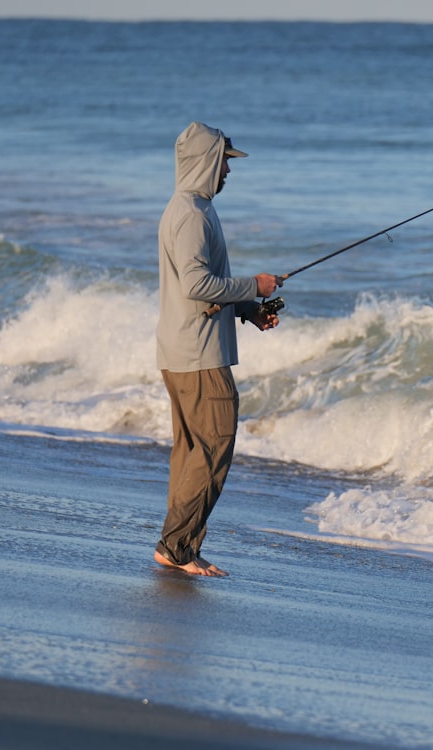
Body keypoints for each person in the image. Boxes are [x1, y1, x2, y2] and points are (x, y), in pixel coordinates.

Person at [153, 121, 281, 577]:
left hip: (182, 351)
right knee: (213, 448)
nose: (228, 170)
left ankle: (180, 545)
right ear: (208, 160)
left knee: (192, 453)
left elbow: (205, 289)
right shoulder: (191, 214)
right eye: (226, 161)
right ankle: (175, 547)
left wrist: (248, 308)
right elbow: (197, 285)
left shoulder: (189, 208)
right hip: (199, 356)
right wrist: (256, 284)